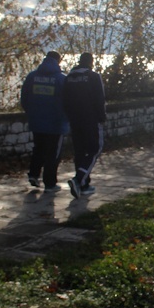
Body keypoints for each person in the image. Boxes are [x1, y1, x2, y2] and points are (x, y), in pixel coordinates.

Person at [20, 50, 68, 193]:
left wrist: (32, 113)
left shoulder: (32, 77)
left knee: (38, 149)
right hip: (56, 123)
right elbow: (68, 101)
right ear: (58, 61)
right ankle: (50, 183)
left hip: (37, 121)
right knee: (53, 153)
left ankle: (34, 174)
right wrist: (66, 118)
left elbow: (24, 98)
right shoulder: (61, 79)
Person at [63, 52, 107, 198]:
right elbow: (99, 98)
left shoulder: (69, 77)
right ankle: (78, 178)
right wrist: (102, 117)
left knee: (80, 151)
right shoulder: (93, 76)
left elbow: (65, 100)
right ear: (90, 62)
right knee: (95, 149)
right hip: (91, 119)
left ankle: (83, 185)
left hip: (75, 120)